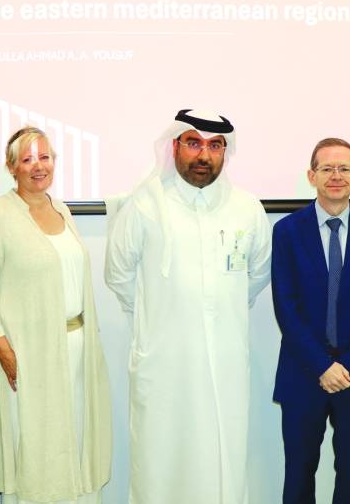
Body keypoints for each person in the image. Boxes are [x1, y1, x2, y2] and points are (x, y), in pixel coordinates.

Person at [105, 108, 272, 504]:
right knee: (161, 457)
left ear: (224, 152)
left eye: (215, 146)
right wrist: (159, 317)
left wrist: (213, 312)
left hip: (226, 362)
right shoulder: (144, 206)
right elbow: (119, 274)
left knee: (223, 455)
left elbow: (257, 274)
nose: (204, 155)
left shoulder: (247, 208)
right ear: (175, 146)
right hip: (164, 364)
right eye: (194, 143)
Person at [0, 126, 111, 504]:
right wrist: (4, 352)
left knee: (74, 439)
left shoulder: (60, 209)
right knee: (34, 447)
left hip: (75, 350)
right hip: (27, 357)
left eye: (44, 157)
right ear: (12, 167)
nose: (37, 166)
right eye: (27, 159)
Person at [271, 138, 350, 504]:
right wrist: (323, 366)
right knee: (298, 475)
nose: (336, 176)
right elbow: (286, 308)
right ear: (312, 176)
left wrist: (345, 366)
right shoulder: (287, 231)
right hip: (302, 373)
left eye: (344, 168)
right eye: (327, 168)